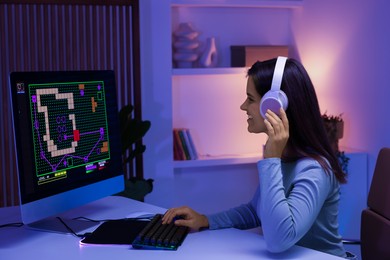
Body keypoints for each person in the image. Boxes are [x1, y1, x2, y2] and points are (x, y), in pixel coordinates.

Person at [162, 57, 349, 258]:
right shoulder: (285, 157)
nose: (243, 107)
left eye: (250, 99)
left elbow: (278, 240)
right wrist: (206, 220)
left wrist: (271, 160)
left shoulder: (314, 170)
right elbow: (256, 211)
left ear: (275, 105)